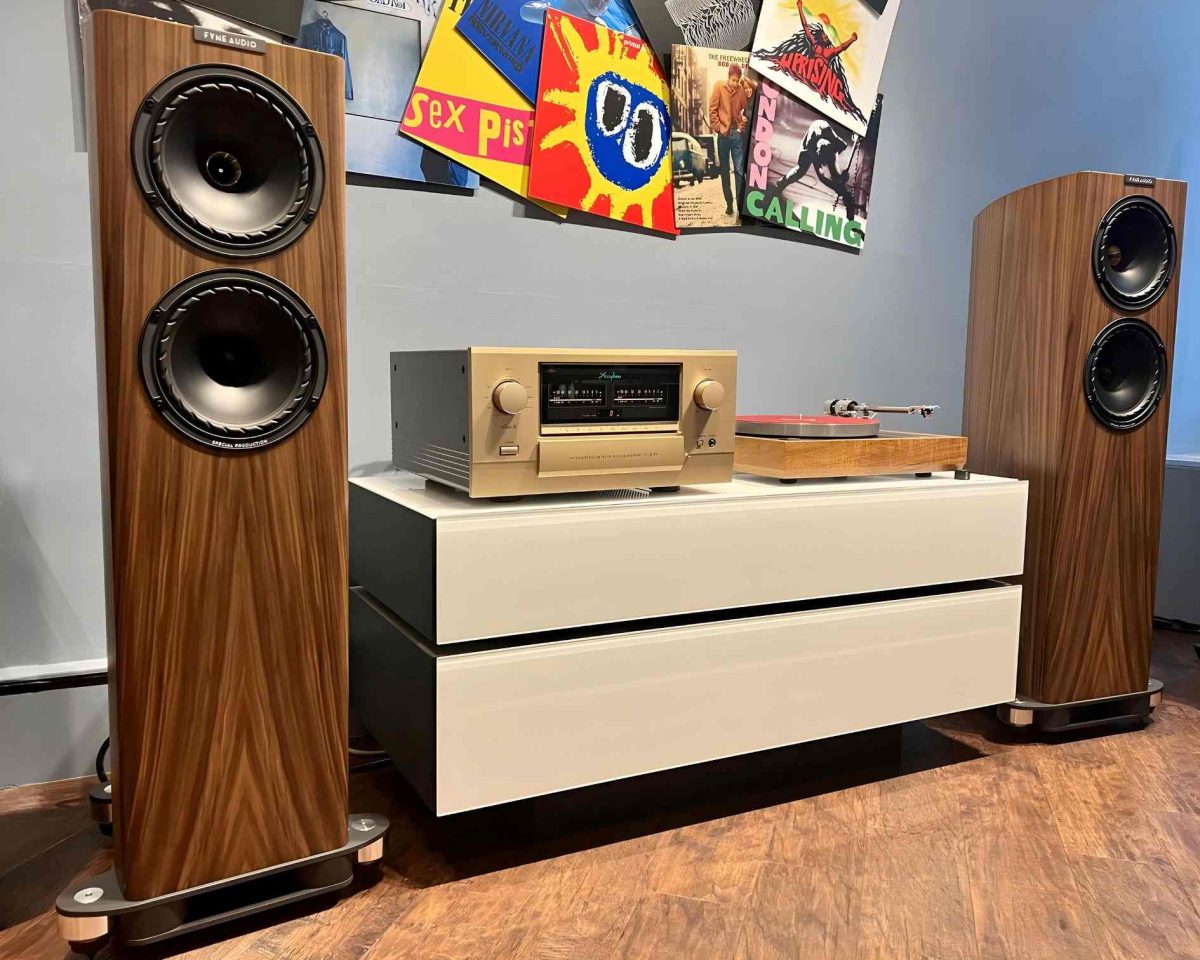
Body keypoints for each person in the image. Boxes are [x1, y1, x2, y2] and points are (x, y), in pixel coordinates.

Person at [774, 117, 860, 220]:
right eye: (824, 161)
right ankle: (780, 184)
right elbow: (822, 176)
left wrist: (840, 175)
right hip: (810, 145)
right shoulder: (811, 148)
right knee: (801, 170)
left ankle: (848, 206)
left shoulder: (833, 141)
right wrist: (836, 177)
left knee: (837, 178)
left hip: (826, 145)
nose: (826, 164)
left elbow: (843, 146)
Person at [707, 63, 756, 215]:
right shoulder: (718, 86)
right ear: (729, 78)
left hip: (736, 136)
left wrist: (741, 125)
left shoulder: (741, 90)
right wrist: (719, 128)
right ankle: (729, 203)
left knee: (739, 170)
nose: (735, 83)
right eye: (733, 80)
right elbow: (712, 110)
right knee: (724, 170)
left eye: (737, 80)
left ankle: (741, 204)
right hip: (723, 136)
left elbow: (746, 108)